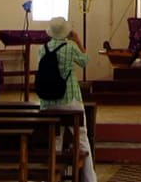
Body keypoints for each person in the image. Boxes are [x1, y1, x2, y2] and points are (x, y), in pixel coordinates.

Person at [39, 17, 96, 182]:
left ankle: (52, 176)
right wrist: (78, 40)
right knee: (82, 140)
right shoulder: (70, 47)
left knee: (55, 140)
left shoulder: (42, 49)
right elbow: (85, 61)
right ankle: (89, 179)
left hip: (48, 102)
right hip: (70, 99)